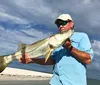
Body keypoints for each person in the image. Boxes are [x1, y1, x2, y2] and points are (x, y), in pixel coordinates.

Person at [18, 14, 94, 85]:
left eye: (63, 23)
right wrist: (31, 60)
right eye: (58, 24)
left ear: (71, 24)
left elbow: (87, 59)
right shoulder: (56, 41)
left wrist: (70, 48)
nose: (60, 26)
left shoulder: (82, 36)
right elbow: (52, 60)